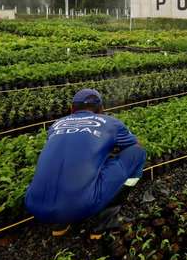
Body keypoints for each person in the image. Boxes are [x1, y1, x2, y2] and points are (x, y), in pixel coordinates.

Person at [24, 89, 146, 238]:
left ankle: (60, 224)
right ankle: (106, 220)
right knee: (137, 153)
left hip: (34, 204)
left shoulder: (56, 125)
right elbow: (135, 144)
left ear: (71, 109)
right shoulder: (110, 122)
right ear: (101, 109)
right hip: (81, 205)